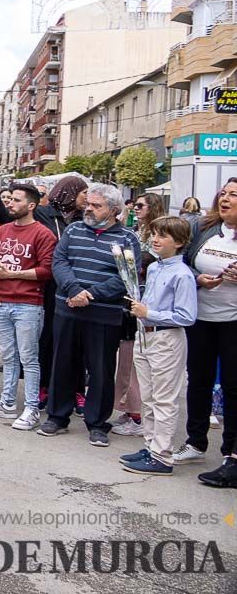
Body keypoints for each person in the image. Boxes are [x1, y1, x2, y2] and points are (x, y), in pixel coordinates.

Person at [38, 184, 142, 446]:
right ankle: (58, 416)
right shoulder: (73, 230)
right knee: (62, 363)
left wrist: (92, 294)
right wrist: (74, 289)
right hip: (68, 308)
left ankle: (97, 422)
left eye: (97, 206)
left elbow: (126, 277)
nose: (89, 209)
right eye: (89, 204)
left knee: (100, 369)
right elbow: (59, 262)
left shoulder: (126, 239)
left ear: (115, 211)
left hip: (103, 314)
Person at [121, 216, 197, 475]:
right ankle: (151, 445)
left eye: (162, 235)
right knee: (149, 396)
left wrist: (149, 312)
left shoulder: (182, 274)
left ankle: (163, 455)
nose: (155, 239)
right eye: (154, 233)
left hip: (166, 337)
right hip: (146, 334)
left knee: (164, 399)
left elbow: (186, 316)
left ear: (179, 242)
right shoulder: (155, 268)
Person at [0, 183, 56, 431]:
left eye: (16, 200)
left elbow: (47, 271)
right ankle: (7, 402)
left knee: (29, 359)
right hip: (1, 301)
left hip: (28, 304)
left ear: (31, 205)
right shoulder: (2, 230)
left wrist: (14, 274)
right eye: (10, 199)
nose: (10, 204)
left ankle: (32, 408)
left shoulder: (43, 234)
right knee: (8, 356)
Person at [178, 178, 237, 488]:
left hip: (233, 322)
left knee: (232, 386)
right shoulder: (204, 228)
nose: (224, 199)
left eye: (233, 195)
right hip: (201, 318)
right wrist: (198, 278)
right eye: (223, 193)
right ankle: (195, 442)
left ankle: (231, 454)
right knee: (198, 380)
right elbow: (183, 264)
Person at [114, 193, 168, 437]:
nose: (135, 209)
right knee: (127, 360)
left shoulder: (158, 235)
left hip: (148, 306)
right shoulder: (136, 231)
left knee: (137, 363)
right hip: (132, 302)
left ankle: (138, 415)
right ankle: (129, 409)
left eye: (140, 206)